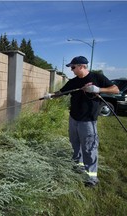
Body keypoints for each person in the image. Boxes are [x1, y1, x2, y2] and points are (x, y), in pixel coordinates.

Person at [57, 56, 119, 187]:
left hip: (88, 120)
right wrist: (50, 95)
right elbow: (61, 92)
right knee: (75, 144)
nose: (72, 70)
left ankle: (91, 178)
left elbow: (115, 89)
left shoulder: (97, 77)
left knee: (89, 147)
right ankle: (78, 166)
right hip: (74, 118)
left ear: (82, 66)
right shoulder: (73, 82)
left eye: (73, 67)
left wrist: (98, 89)